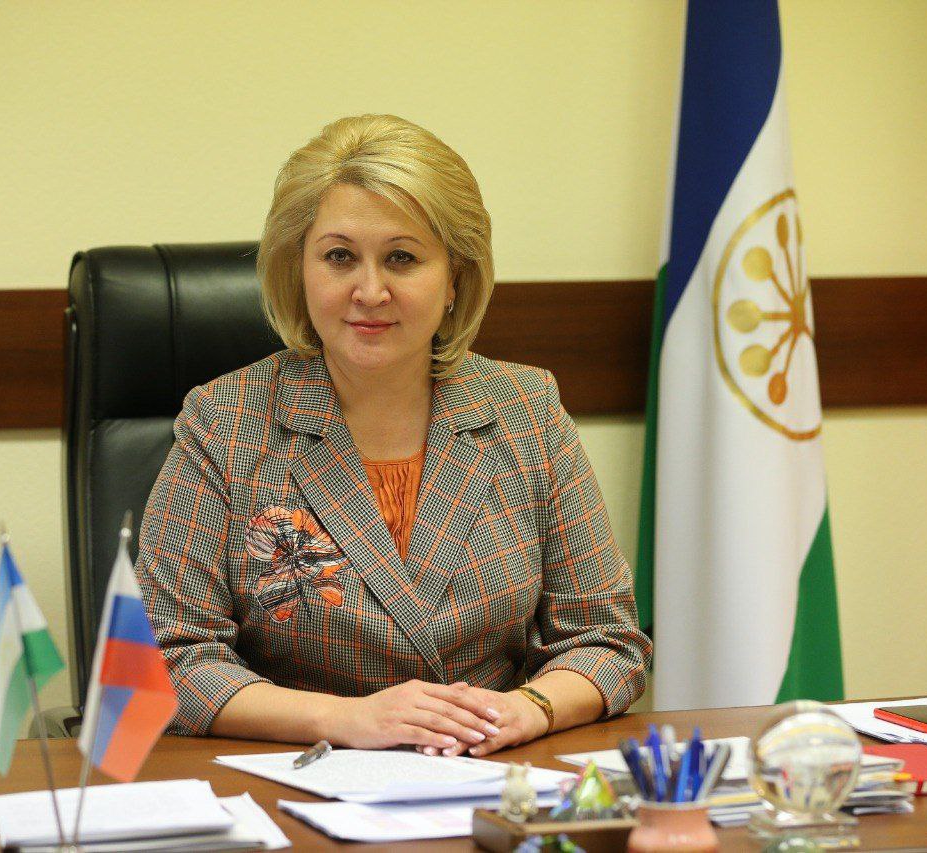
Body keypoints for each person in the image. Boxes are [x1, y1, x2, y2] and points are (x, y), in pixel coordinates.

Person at [136, 114, 651, 758]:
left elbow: (607, 640)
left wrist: (526, 710)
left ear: (454, 278)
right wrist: (348, 719)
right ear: (299, 270)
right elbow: (161, 662)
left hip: (486, 773)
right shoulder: (227, 422)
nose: (370, 291)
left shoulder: (525, 409)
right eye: (339, 257)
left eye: (402, 258)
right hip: (301, 781)